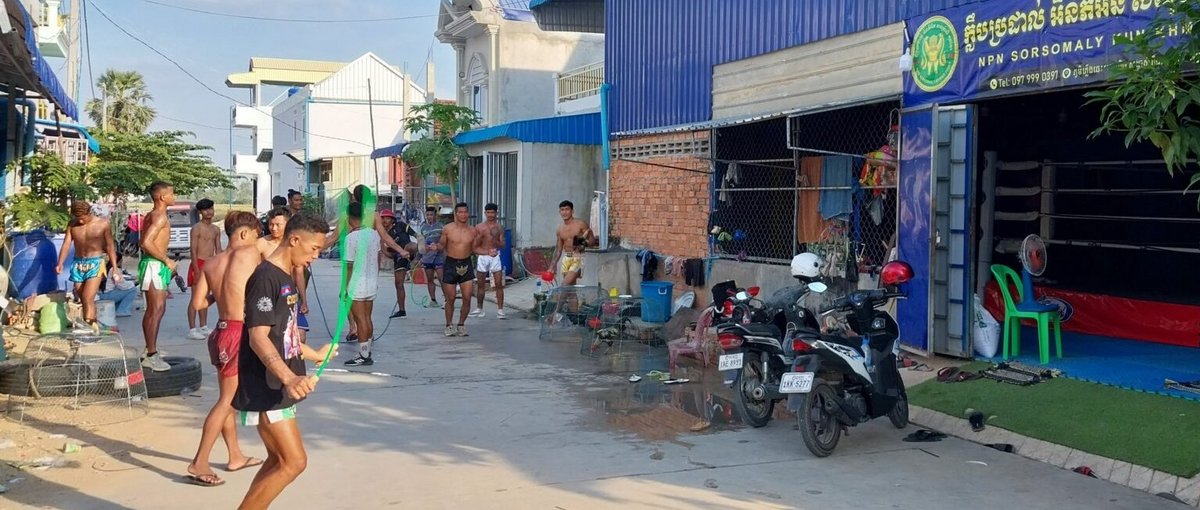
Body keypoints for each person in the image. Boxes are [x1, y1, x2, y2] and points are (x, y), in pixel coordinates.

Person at [234, 213, 335, 510]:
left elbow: (286, 336)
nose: (316, 256)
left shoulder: (286, 278)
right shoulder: (266, 278)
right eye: (314, 248)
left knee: (278, 460)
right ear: (294, 240)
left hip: (277, 383)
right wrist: (289, 378)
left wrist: (315, 353)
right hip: (267, 384)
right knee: (294, 462)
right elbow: (258, 337)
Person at [184, 211, 265, 487]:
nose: (259, 238)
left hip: (220, 330)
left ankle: (235, 455)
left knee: (227, 396)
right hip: (239, 331)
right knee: (228, 401)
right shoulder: (252, 253)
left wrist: (221, 294)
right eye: (256, 233)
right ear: (244, 233)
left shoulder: (212, 263)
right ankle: (200, 462)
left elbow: (197, 305)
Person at [55, 200, 121, 329]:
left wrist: (115, 268)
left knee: (87, 297)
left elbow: (110, 246)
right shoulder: (72, 225)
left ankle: (90, 328)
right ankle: (94, 326)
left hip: (95, 263)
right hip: (78, 263)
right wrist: (60, 262)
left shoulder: (103, 224)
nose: (80, 221)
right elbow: (66, 244)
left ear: (89, 213)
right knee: (83, 299)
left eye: (83, 218)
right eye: (77, 218)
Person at [137, 182, 177, 372]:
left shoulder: (152, 215)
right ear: (162, 197)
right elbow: (145, 242)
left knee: (156, 309)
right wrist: (166, 259)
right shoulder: (159, 216)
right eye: (171, 193)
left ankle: (149, 350)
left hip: (155, 265)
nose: (174, 196)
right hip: (154, 265)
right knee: (156, 309)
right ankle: (151, 354)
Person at [342, 202, 381, 366]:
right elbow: (378, 256)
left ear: (349, 217)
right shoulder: (373, 234)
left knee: (360, 320)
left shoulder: (351, 238)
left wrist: (345, 287)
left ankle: (364, 355)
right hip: (371, 280)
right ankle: (367, 351)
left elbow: (349, 266)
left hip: (356, 283)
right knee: (367, 317)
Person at [441, 203, 478, 337]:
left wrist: (487, 252)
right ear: (456, 214)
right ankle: (449, 325)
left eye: (465, 212)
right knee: (450, 298)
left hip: (466, 264)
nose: (463, 214)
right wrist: (434, 247)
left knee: (467, 298)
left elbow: (475, 249)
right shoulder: (447, 229)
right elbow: (442, 245)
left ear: (468, 214)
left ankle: (461, 324)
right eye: (460, 212)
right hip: (451, 264)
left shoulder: (473, 231)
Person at [188, 199, 221, 340]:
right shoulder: (197, 228)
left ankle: (203, 325)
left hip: (210, 264)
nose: (209, 212)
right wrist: (196, 270)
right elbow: (193, 250)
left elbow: (218, 249)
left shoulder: (216, 229)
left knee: (205, 297)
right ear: (200, 212)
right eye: (205, 210)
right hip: (198, 263)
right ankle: (192, 328)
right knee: (195, 297)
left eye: (211, 209)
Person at [470, 203, 507, 319]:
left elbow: (503, 245)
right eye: (488, 212)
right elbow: (474, 247)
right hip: (483, 256)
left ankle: (500, 310)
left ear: (496, 213)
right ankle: (479, 308)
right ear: (485, 213)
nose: (490, 215)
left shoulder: (499, 227)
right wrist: (486, 252)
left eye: (493, 212)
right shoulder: (479, 227)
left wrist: (495, 240)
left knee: (498, 284)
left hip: (495, 256)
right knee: (481, 284)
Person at [380, 209, 417, 319]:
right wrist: (385, 249)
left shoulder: (400, 225)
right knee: (398, 284)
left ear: (392, 219)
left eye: (387, 218)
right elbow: (388, 253)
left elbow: (414, 234)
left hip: (409, 250)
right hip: (399, 258)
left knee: (411, 246)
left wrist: (419, 238)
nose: (385, 220)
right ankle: (402, 310)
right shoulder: (384, 234)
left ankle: (417, 260)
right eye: (383, 218)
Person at [552, 200, 595, 286]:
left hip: (577, 258)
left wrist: (583, 242)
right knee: (571, 291)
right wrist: (552, 266)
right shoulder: (560, 229)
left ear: (572, 211)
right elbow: (558, 249)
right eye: (562, 210)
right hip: (566, 259)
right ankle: (572, 299)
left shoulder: (580, 224)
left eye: (567, 209)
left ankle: (558, 299)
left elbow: (592, 242)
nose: (565, 212)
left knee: (564, 286)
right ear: (560, 212)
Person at [419, 206, 445, 307]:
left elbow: (445, 241)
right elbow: (420, 243)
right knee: (430, 279)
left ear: (435, 215)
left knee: (441, 279)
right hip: (427, 258)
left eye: (431, 215)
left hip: (439, 256)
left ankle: (447, 300)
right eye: (428, 215)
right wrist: (420, 257)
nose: (429, 217)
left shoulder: (441, 226)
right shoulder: (423, 227)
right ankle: (433, 300)